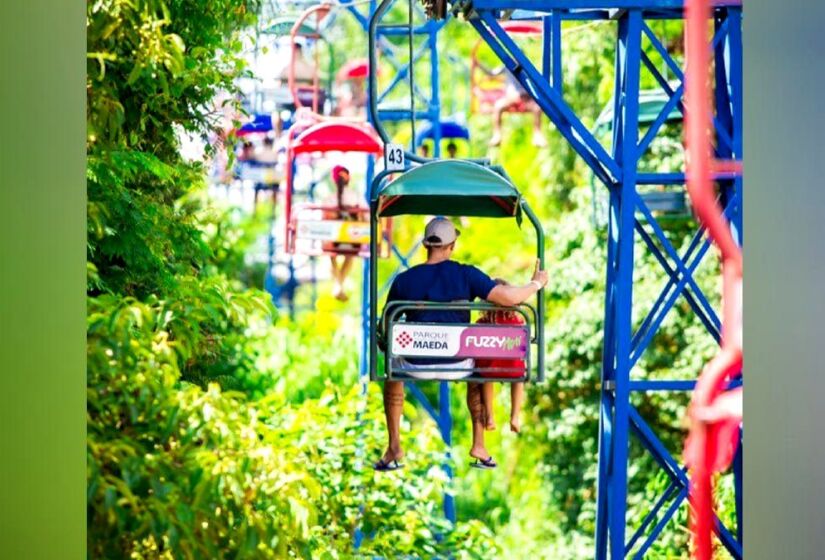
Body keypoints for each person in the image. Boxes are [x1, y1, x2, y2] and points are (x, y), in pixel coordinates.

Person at [374, 218, 548, 471]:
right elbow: (509, 298)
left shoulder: (404, 280)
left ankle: (395, 444)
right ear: (451, 245)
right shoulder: (466, 274)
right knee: (476, 369)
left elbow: (386, 325)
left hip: (413, 364)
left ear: (426, 245)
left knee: (392, 369)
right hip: (458, 364)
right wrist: (536, 283)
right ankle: (479, 444)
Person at [474, 279, 527, 435]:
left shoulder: (481, 323)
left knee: (486, 377)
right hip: (513, 370)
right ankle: (515, 416)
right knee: (519, 379)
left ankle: (490, 416)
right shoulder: (519, 321)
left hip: (489, 370)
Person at [483, 66, 546, 149]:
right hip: (511, 98)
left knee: (537, 108)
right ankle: (497, 135)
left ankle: (537, 135)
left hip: (524, 98)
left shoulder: (526, 67)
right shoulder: (506, 67)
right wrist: (479, 65)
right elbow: (492, 73)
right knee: (498, 106)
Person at [322, 165, 360, 301]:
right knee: (350, 256)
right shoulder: (355, 197)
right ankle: (339, 285)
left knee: (330, 255)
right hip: (353, 238)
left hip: (334, 239)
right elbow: (366, 215)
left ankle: (338, 284)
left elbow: (323, 218)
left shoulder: (328, 199)